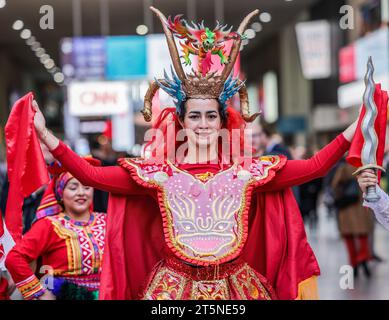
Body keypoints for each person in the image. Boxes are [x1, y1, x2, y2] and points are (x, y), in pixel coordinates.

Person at [27, 7, 361, 300]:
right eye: (195, 116)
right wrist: (45, 135)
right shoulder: (157, 174)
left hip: (238, 289)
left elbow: (316, 167)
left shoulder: (247, 173)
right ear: (181, 121)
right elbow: (92, 176)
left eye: (211, 115)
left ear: (222, 120)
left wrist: (359, 124)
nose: (203, 124)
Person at [5, 159, 106, 300]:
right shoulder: (50, 225)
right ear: (60, 193)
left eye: (87, 187)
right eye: (73, 187)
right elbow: (14, 258)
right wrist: (38, 292)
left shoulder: (107, 221)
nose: (81, 192)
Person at [331, 162, 373, 278]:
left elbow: (335, 184)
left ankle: (354, 263)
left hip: (347, 208)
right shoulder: (366, 166)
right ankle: (363, 258)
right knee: (362, 235)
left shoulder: (344, 167)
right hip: (361, 207)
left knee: (349, 237)